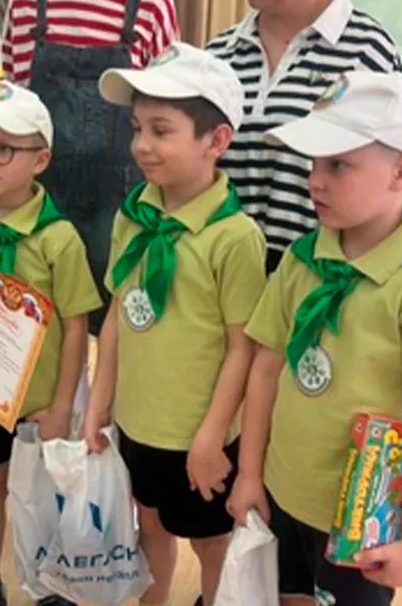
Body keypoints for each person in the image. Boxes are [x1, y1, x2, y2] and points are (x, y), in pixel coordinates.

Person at [226, 72, 402, 606]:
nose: (315, 181)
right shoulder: (301, 260)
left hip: (363, 526)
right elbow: (266, 369)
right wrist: (249, 473)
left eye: (337, 164)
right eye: (314, 164)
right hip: (283, 493)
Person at [83, 44, 267, 606]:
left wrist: (212, 436)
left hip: (198, 434)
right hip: (139, 422)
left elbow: (242, 349)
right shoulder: (132, 214)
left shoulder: (235, 238)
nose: (141, 144)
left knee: (211, 544)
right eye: (137, 127)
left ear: (216, 140)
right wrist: (99, 402)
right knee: (150, 525)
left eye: (161, 130)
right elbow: (118, 315)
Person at [0, 0, 180, 335]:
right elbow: (15, 111)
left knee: (121, 329)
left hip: (123, 202)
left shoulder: (152, 5)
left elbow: (167, 112)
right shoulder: (26, 4)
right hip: (42, 200)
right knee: (40, 326)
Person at [0, 83, 103, 606]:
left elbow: (76, 324)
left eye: (4, 149)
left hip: (41, 400)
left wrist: (62, 405)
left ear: (41, 160)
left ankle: (53, 584)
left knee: (48, 495)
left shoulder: (59, 239)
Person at [206, 0, 402, 273]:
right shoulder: (218, 56)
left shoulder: (367, 52)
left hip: (320, 284)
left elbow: (385, 191)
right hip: (222, 283)